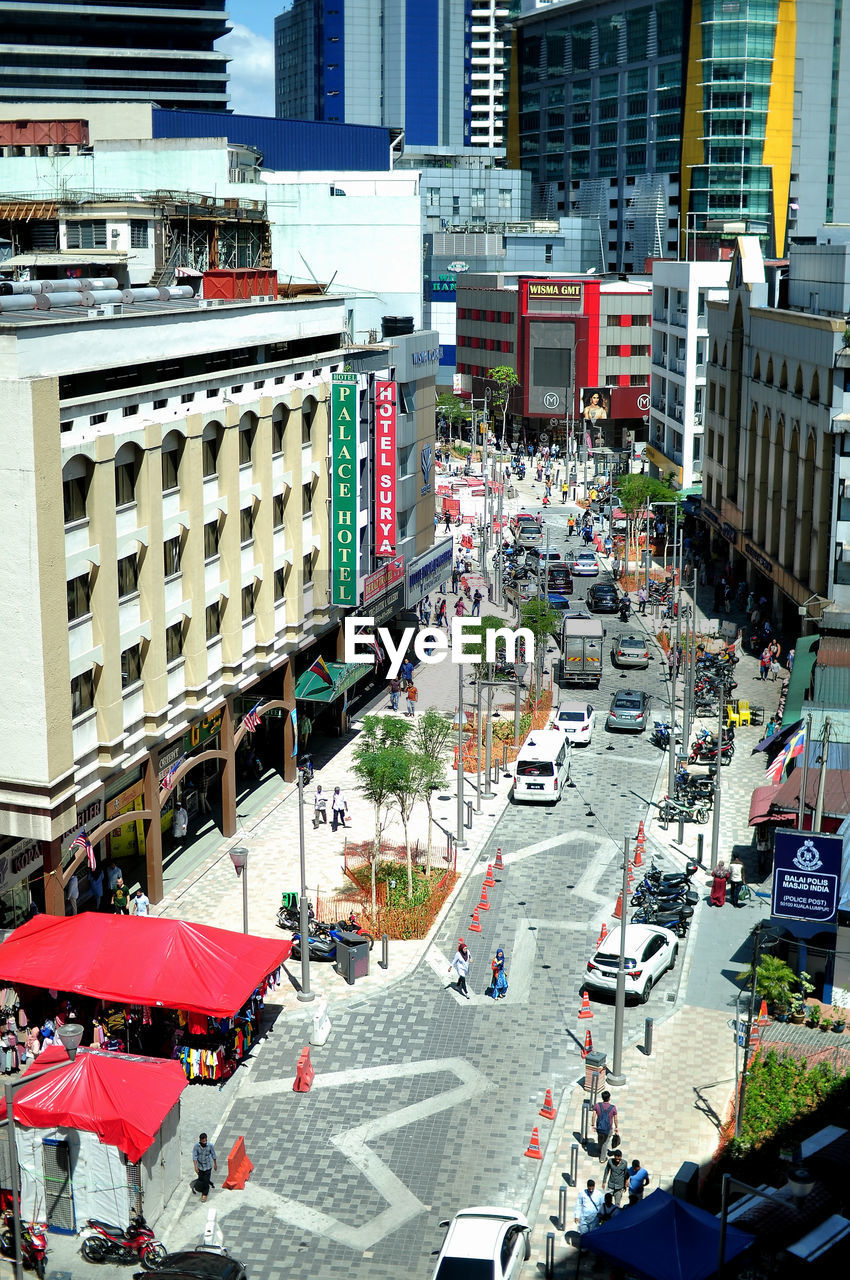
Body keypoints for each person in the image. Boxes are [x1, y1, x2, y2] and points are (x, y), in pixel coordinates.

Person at [592, 1090, 618, 1164]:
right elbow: (615, 1119)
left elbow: (593, 1116)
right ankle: (602, 1158)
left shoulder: (597, 1105)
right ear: (609, 1098)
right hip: (608, 1128)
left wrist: (593, 1125)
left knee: (600, 1139)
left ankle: (599, 1149)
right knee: (605, 1143)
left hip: (599, 1127)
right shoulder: (613, 1108)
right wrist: (616, 1127)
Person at [192, 1133, 217, 1203]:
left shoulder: (210, 1146)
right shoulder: (196, 1146)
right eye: (203, 1141)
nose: (204, 1143)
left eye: (205, 1141)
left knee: (206, 1181)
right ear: (200, 1140)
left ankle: (205, 1194)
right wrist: (195, 1166)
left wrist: (215, 1164)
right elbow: (194, 1156)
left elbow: (213, 1154)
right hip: (200, 1166)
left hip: (208, 1166)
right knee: (201, 1179)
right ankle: (202, 1184)